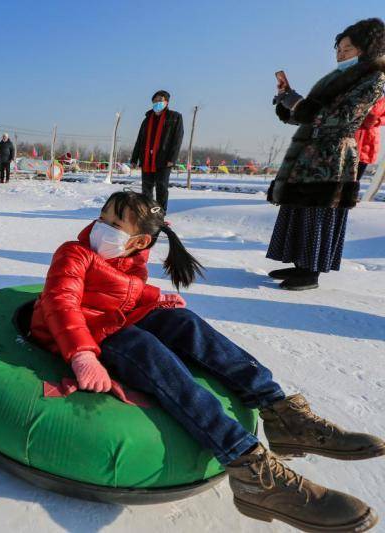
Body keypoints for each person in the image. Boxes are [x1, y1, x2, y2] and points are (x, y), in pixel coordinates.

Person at [31, 190, 383, 532]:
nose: (99, 225)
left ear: (139, 242)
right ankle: (247, 465)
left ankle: (280, 411)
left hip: (114, 319)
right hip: (83, 333)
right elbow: (61, 301)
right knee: (152, 355)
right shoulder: (74, 253)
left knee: (186, 322)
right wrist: (81, 354)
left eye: (113, 222)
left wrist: (158, 298)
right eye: (103, 216)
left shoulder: (130, 259)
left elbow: (123, 291)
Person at [267, 18, 385, 290]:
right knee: (300, 208)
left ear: (366, 49)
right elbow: (310, 115)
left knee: (320, 209)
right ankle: (299, 264)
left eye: (348, 49)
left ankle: (312, 272)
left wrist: (299, 104)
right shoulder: (335, 78)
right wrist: (287, 103)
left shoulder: (374, 79)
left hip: (334, 156)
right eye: (338, 50)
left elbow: (341, 118)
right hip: (309, 152)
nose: (340, 55)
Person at [130, 90, 184, 213]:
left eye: (160, 100)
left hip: (164, 159)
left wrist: (172, 158)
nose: (157, 103)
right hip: (147, 159)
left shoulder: (175, 117)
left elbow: (177, 139)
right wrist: (134, 159)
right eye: (154, 101)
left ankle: (160, 212)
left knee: (161, 186)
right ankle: (148, 211)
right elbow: (140, 140)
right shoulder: (147, 119)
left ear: (166, 102)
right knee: (146, 188)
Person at [354, 96, 385, 178]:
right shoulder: (357, 91)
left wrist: (378, 121)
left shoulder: (382, 99)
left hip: (369, 138)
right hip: (353, 134)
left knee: (356, 177)